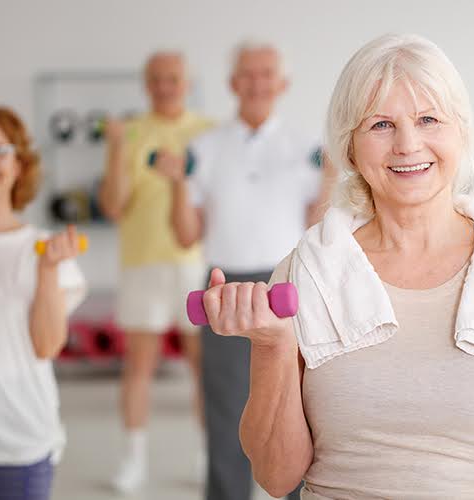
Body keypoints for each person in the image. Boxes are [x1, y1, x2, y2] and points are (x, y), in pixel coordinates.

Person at [195, 34, 474, 499]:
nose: (408, 144)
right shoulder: (305, 274)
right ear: (350, 147)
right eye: (380, 125)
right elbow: (277, 477)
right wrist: (273, 345)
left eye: (428, 119)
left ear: (461, 130)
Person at [156, 41, 331, 500]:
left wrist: (333, 176)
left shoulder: (310, 146)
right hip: (223, 286)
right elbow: (185, 235)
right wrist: (177, 183)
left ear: (283, 83)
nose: (257, 82)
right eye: (247, 74)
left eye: (266, 73)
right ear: (233, 84)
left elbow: (318, 225)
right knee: (225, 407)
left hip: (287, 287)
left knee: (292, 405)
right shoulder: (204, 147)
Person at [0, 107, 86, 500]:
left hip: (20, 431)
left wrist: (46, 270)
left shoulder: (45, 248)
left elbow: (47, 346)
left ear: (20, 164)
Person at [97, 51, 213, 493]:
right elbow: (112, 206)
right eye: (157, 79)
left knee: (205, 370)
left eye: (174, 78)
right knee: (138, 367)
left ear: (187, 82)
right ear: (146, 84)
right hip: (142, 262)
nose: (166, 86)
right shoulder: (131, 133)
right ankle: (133, 462)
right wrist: (115, 148)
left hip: (196, 263)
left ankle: (207, 458)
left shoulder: (207, 132)